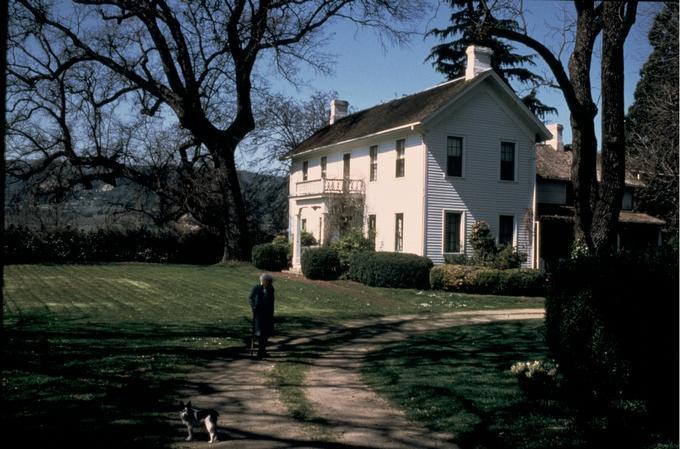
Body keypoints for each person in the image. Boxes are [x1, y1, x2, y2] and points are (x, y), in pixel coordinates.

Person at [248, 273, 275, 359]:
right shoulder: (257, 288)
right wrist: (253, 306)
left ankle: (262, 351)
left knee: (266, 333)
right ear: (263, 281)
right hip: (259, 313)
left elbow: (272, 301)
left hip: (268, 314)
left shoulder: (271, 289)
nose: (268, 283)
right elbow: (250, 298)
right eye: (266, 281)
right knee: (260, 333)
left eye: (269, 282)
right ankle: (260, 352)